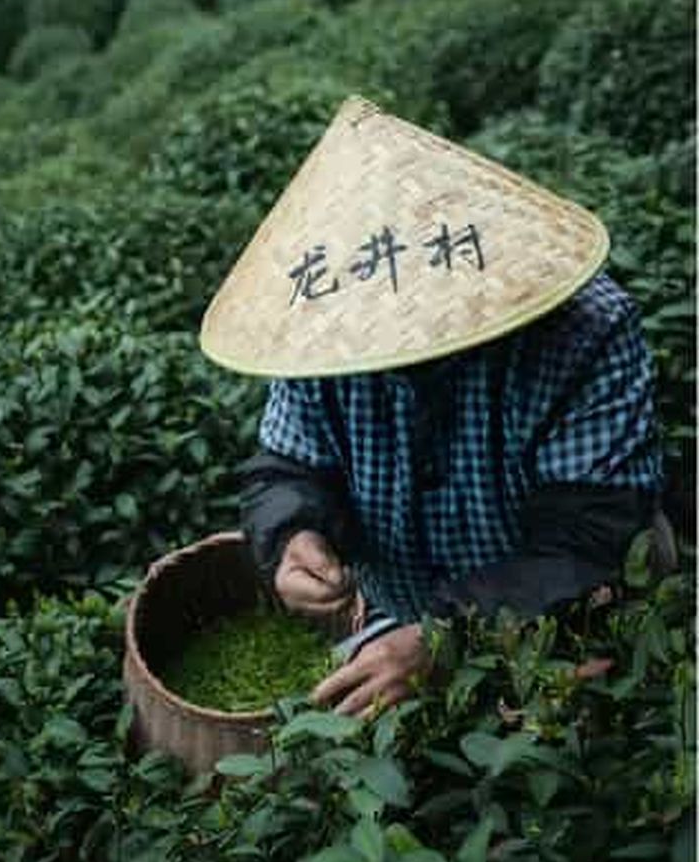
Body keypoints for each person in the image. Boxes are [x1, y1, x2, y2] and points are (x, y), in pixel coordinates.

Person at [199, 96, 669, 718]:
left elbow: (588, 536)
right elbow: (286, 468)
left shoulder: (586, 330)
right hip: (400, 605)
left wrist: (445, 639)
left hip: (565, 605)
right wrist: (292, 537)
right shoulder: (319, 336)